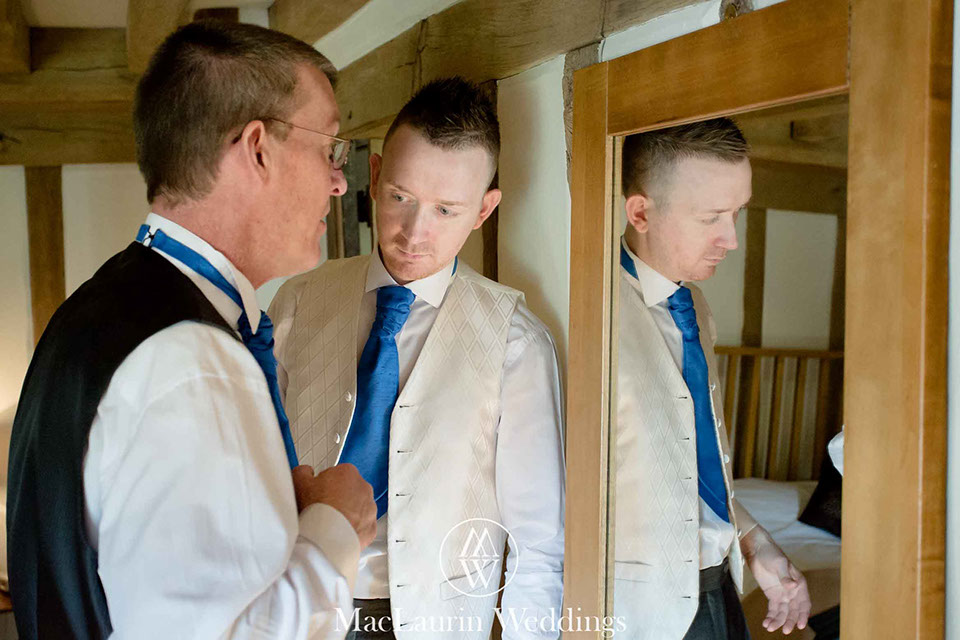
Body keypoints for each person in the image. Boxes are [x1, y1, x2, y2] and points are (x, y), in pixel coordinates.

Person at [6, 21, 377, 640]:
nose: (340, 181)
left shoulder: (96, 313)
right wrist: (336, 528)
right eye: (329, 147)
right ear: (257, 148)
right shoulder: (188, 360)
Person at [268, 77, 565, 640]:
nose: (413, 234)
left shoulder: (516, 343)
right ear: (375, 177)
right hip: (294, 602)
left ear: (484, 210)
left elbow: (538, 543)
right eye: (401, 197)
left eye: (446, 210)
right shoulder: (297, 301)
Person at [613, 118, 812, 639]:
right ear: (641, 213)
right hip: (639, 608)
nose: (732, 240)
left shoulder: (695, 307)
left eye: (738, 213)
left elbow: (692, 464)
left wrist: (754, 541)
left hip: (719, 583)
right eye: (712, 218)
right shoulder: (591, 315)